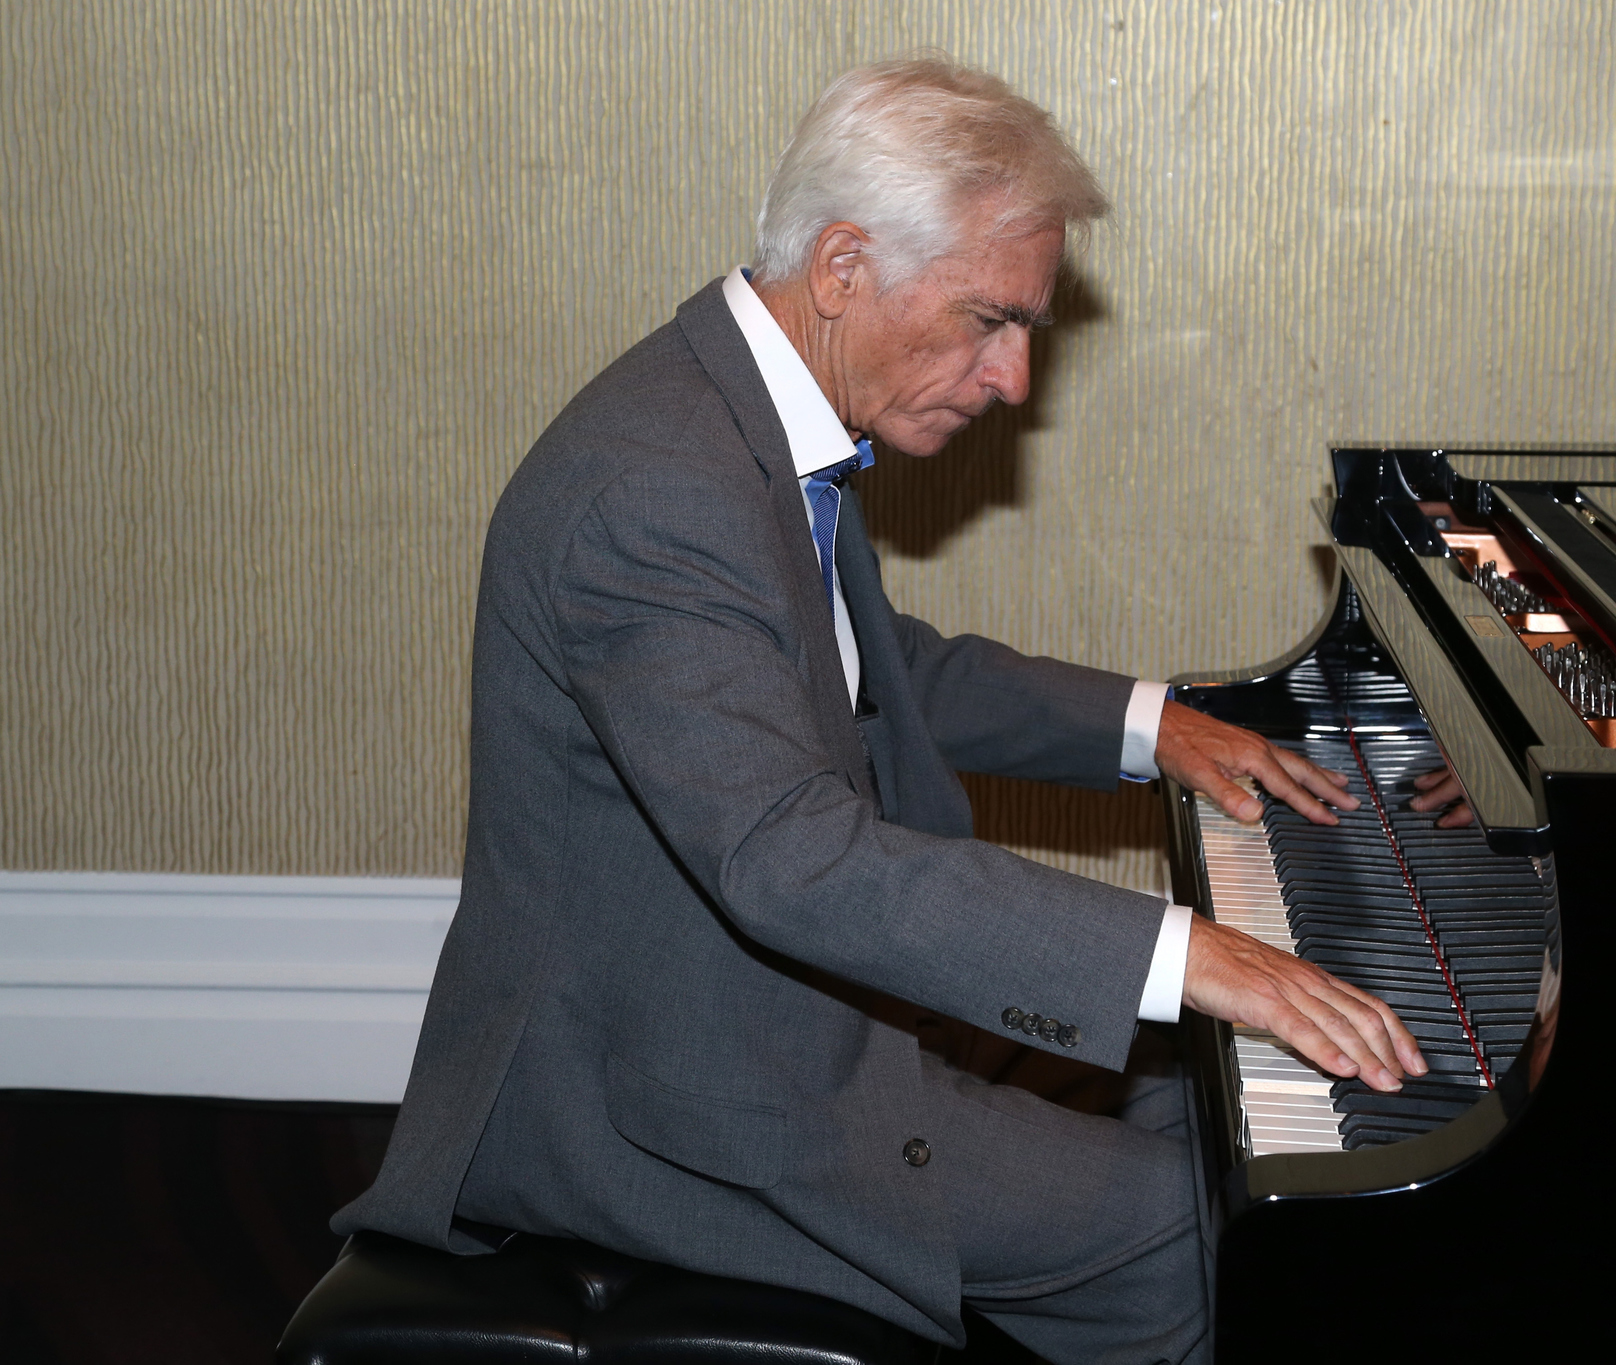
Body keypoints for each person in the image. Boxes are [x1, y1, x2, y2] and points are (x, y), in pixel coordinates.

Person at [335, 55, 1425, 1365]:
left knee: (1197, 1100)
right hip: (648, 1100)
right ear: (845, 265)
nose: (1014, 380)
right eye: (990, 320)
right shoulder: (658, 490)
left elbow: (876, 667)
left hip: (732, 1019)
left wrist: (1157, 727)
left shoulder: (747, 419)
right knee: (1192, 1228)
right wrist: (1186, 949)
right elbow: (791, 858)